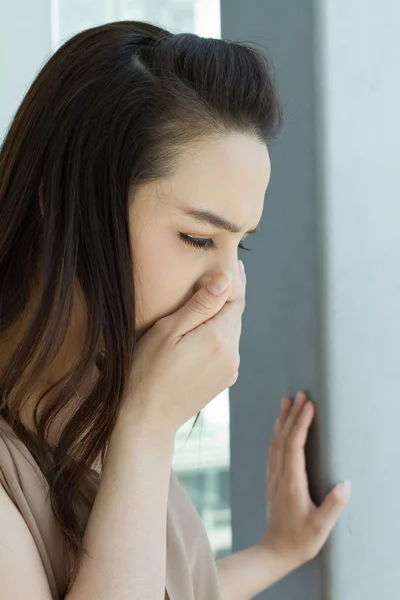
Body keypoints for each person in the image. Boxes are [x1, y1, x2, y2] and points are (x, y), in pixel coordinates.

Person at [0, 20, 351, 600]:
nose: (228, 286)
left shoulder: (105, 399)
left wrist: (277, 551)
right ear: (64, 209)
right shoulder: (131, 423)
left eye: (242, 245)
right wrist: (147, 431)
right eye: (197, 238)